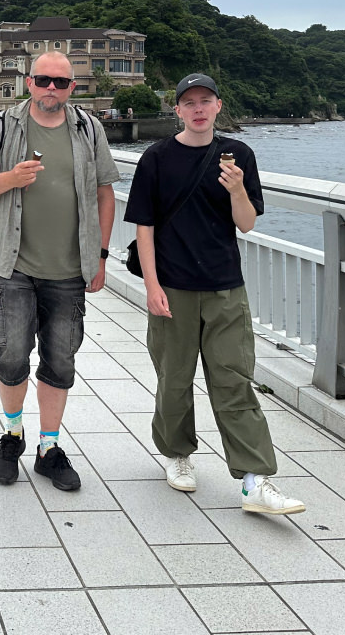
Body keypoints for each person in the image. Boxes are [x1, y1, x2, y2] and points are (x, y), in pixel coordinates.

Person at [124, 73, 305, 516]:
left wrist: (238, 188)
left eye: (206, 101)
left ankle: (254, 480)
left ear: (218, 106)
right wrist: (150, 285)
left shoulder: (238, 155)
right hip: (172, 286)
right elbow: (143, 226)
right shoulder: (157, 158)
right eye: (190, 102)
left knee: (234, 381)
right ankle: (177, 453)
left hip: (225, 287)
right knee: (174, 378)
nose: (199, 108)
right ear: (177, 109)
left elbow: (246, 223)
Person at [0, 51, 118, 491]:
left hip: (70, 268)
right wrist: (10, 178)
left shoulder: (89, 129)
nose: (53, 88)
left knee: (60, 358)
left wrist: (101, 256)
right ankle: (12, 434)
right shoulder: (3, 126)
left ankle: (49, 448)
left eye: (62, 83)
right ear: (29, 83)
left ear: (72, 88)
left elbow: (105, 193)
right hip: (14, 264)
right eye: (44, 80)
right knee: (10, 353)